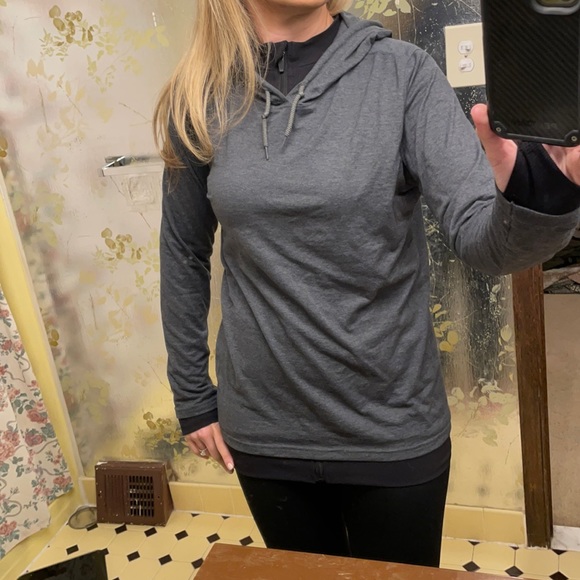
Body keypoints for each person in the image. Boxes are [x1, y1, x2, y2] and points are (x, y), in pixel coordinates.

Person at [154, 0, 580, 568]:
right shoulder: (199, 96)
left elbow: (487, 244)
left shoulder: (402, 73)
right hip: (264, 427)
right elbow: (182, 252)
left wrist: (541, 191)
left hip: (391, 426)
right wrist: (192, 396)